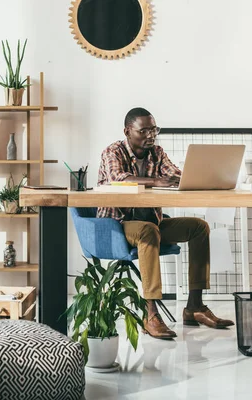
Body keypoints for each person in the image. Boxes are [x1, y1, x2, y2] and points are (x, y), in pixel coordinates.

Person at [97, 107, 234, 339]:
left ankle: (195, 306)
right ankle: (150, 313)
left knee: (198, 227)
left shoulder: (156, 152)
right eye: (144, 131)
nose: (151, 135)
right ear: (127, 131)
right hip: (117, 225)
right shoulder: (113, 151)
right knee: (148, 231)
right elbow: (118, 178)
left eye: (154, 130)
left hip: (151, 222)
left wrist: (198, 176)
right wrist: (156, 181)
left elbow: (174, 173)